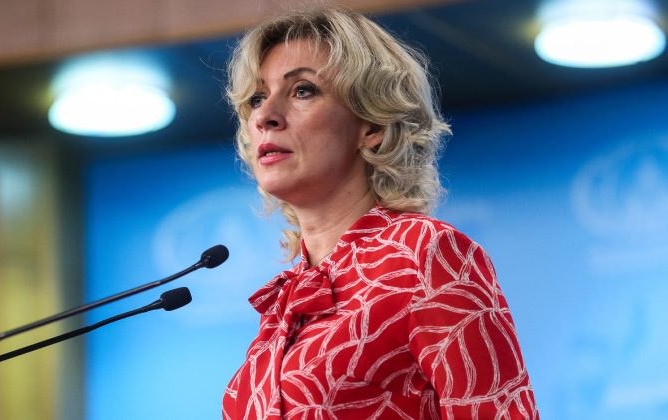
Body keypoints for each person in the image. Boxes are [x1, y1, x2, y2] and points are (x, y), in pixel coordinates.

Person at [222, 6, 538, 420]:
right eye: (258, 98)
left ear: (371, 125)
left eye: (302, 90)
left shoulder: (424, 254)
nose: (265, 116)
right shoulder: (287, 300)